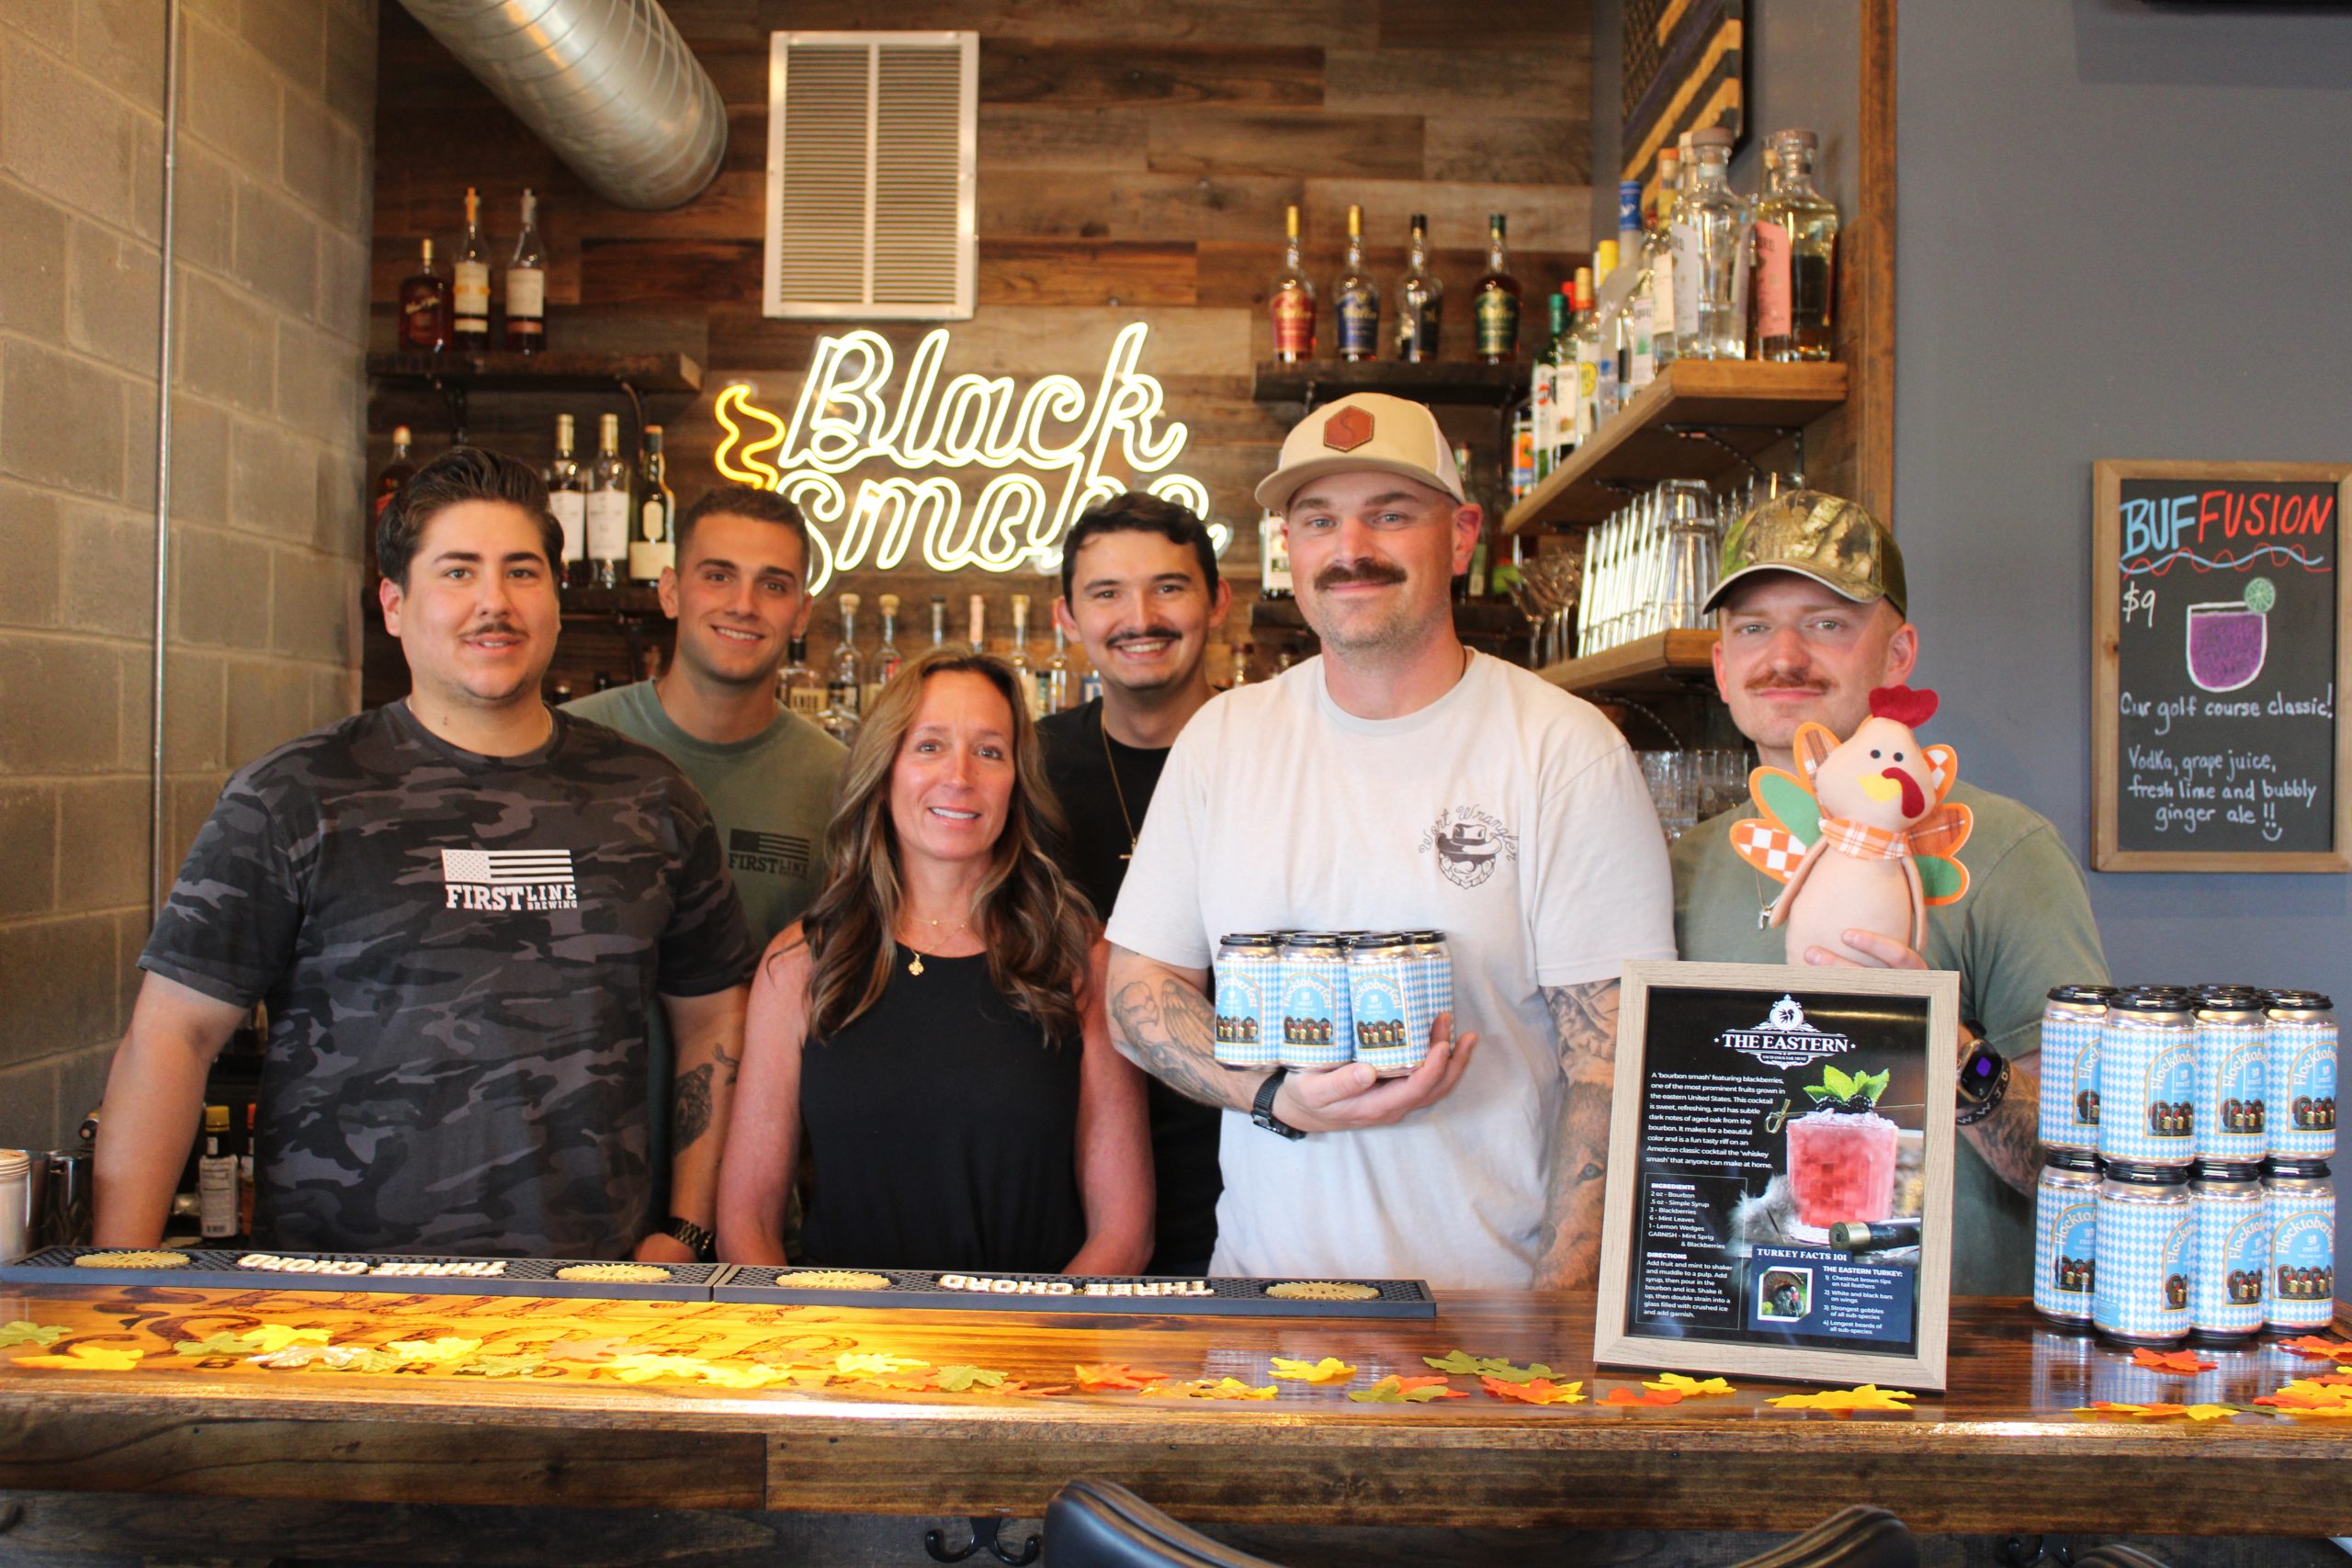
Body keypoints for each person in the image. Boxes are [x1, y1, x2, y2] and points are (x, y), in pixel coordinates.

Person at [94, 447, 757, 1261]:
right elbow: (172, 1036)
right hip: (325, 1307)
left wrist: (686, 1228)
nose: (494, 602)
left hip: (588, 1303)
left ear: (554, 598)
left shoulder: (652, 798)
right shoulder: (294, 794)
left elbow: (714, 1015)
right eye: (456, 572)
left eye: (522, 572)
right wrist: (113, 1277)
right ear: (395, 604)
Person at [1102, 392, 1677, 1290]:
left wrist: (1558, 1314)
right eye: (1318, 519)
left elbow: (1611, 1060)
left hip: (1485, 1322)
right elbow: (1138, 989)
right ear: (1286, 548)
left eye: (1390, 514)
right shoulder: (1224, 740)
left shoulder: (1561, 748)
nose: (1350, 549)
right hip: (1263, 1305)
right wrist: (1272, 1096)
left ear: (1461, 537)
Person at [1670, 489, 2109, 1296]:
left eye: (1828, 623)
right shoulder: (1681, 868)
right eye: (1753, 627)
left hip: (1960, 1368)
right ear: (1722, 667)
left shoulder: (2008, 854)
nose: (1786, 655)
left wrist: (1952, 1050)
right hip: (1722, 1357)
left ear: (1899, 654)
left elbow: (2091, 1165)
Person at [717, 648, 1153, 1274]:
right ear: (884, 767)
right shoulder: (801, 963)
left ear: (1016, 781)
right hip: (842, 1347)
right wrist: (814, 1345)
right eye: (929, 746)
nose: (960, 775)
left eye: (989, 750)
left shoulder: (1080, 955)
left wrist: (1026, 1356)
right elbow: (747, 1221)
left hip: (1030, 1349)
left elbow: (1124, 1233)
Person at [563, 485, 845, 1217]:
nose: (744, 603)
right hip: (568, 1181)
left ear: (802, 612)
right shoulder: (569, 747)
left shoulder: (841, 782)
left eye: (773, 584)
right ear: (669, 591)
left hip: (752, 1200)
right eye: (718, 574)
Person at [1039, 491, 1232, 1276]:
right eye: (1107, 592)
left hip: (1252, 1158)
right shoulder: (1027, 771)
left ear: (1218, 602)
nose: (1139, 615)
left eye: (1170, 586)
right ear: (1066, 616)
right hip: (1072, 1172)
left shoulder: (1278, 756)